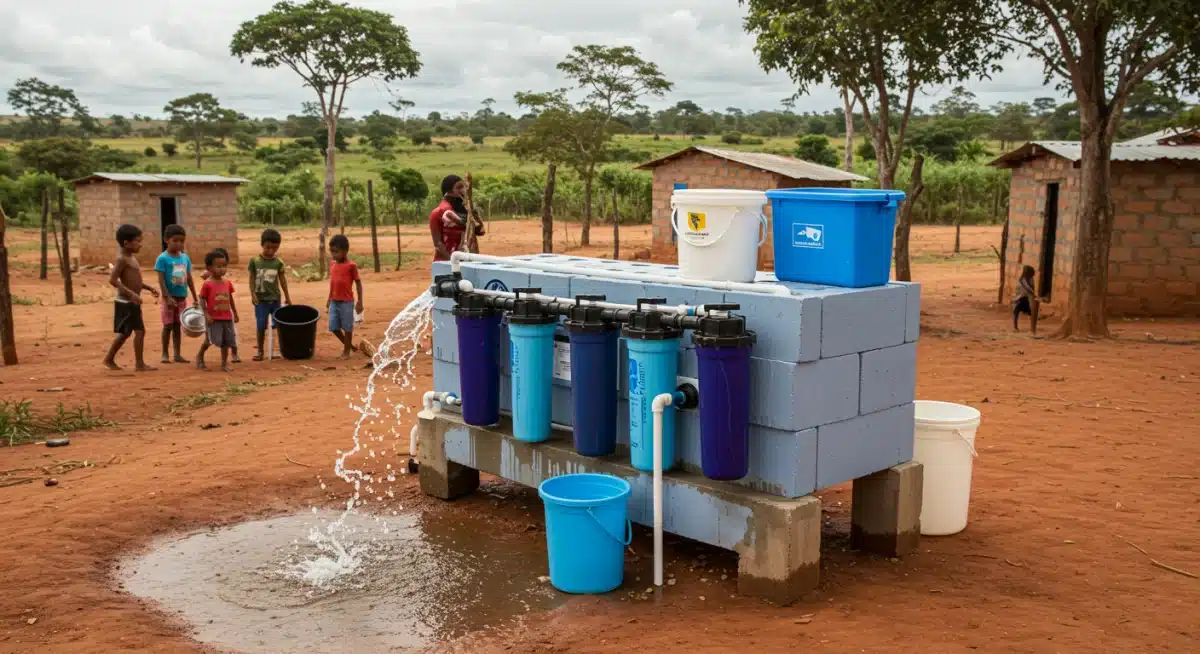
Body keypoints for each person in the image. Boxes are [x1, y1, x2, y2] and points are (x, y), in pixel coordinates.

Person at [103, 224, 159, 371]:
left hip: (131, 301)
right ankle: (139, 364)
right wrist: (132, 294)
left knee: (126, 333)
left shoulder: (130, 257)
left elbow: (134, 281)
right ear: (127, 243)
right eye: (138, 241)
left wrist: (148, 288)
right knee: (139, 331)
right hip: (126, 302)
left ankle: (109, 359)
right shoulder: (122, 259)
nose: (140, 244)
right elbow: (113, 280)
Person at [154, 224, 199, 364]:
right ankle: (165, 354)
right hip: (168, 299)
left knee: (178, 326)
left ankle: (177, 354)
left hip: (181, 298)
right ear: (166, 240)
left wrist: (195, 297)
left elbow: (189, 278)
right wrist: (167, 297)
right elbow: (161, 280)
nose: (179, 244)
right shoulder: (162, 258)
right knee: (167, 326)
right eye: (175, 240)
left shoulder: (185, 258)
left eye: (182, 241)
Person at [248, 229, 292, 361]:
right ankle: (260, 350)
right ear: (262, 245)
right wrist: (253, 294)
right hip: (260, 300)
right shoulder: (255, 261)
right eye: (268, 247)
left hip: (275, 299)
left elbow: (282, 280)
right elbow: (251, 278)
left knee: (277, 325)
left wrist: (287, 296)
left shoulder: (278, 262)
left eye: (275, 248)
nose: (271, 251)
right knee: (261, 325)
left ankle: (277, 350)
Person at [197, 250, 239, 372]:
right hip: (213, 318)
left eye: (224, 266)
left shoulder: (227, 283)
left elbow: (230, 299)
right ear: (209, 268)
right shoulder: (207, 284)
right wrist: (206, 314)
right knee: (210, 340)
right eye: (219, 266)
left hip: (226, 316)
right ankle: (200, 356)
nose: (222, 269)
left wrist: (235, 313)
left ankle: (224, 364)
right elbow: (202, 299)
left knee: (226, 341)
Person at [429, 174, 484, 261]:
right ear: (448, 192)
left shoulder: (467, 211)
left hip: (468, 261)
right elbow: (438, 243)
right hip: (447, 262)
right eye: (459, 187)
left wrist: (473, 213)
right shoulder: (438, 212)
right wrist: (453, 262)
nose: (463, 190)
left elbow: (481, 232)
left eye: (463, 187)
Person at [327, 234, 364, 359]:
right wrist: (329, 299)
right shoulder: (332, 264)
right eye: (332, 252)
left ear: (345, 251)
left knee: (348, 327)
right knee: (333, 327)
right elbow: (332, 283)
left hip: (347, 302)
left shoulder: (351, 266)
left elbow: (358, 283)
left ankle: (346, 350)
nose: (333, 255)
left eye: (336, 252)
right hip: (334, 301)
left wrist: (360, 301)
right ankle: (349, 345)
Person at [1013, 265, 1038, 332]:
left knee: (1031, 312)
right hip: (1020, 298)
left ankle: (1032, 328)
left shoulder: (1031, 279)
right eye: (1031, 274)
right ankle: (1015, 327)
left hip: (1027, 297)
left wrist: (1033, 296)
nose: (1032, 275)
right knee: (1016, 311)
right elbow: (1028, 290)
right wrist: (1034, 296)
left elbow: (1032, 289)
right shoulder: (1022, 280)